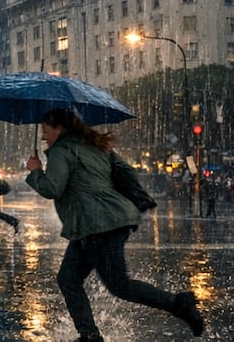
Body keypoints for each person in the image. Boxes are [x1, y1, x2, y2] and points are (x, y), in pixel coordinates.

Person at [25, 107, 205, 341]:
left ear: (59, 128)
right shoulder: (95, 144)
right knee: (68, 279)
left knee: (120, 285)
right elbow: (125, 170)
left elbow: (52, 188)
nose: (43, 137)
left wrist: (36, 171)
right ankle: (89, 334)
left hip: (98, 225)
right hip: (95, 225)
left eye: (45, 131)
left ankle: (179, 304)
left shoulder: (61, 150)